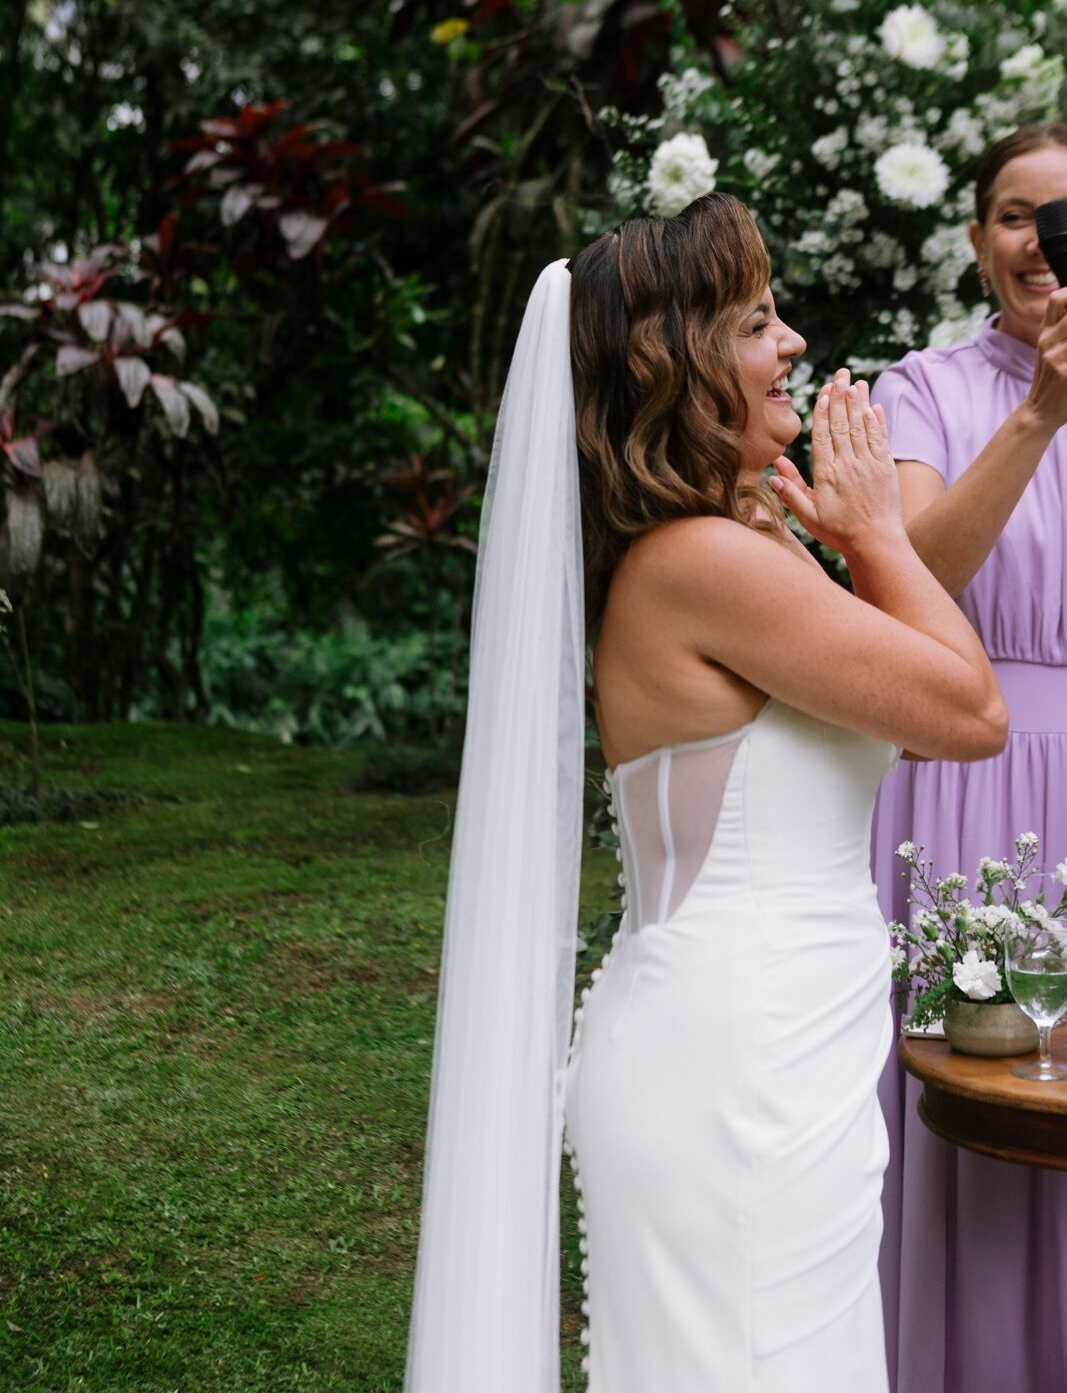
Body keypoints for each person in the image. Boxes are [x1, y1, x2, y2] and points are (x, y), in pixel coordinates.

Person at [403, 193, 1005, 1393]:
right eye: (754, 321)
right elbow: (968, 714)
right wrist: (877, 537)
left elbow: (919, 717)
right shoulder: (700, 563)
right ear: (670, 365)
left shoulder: (743, 541)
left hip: (779, 1051)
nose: (790, 344)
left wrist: (841, 539)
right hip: (734, 1068)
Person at [870, 121, 1067, 1393]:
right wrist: (1045, 407)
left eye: (1063, 216)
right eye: (1013, 214)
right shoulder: (919, 389)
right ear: (974, 240)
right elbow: (912, 582)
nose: (1039, 242)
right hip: (963, 785)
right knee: (969, 1106)